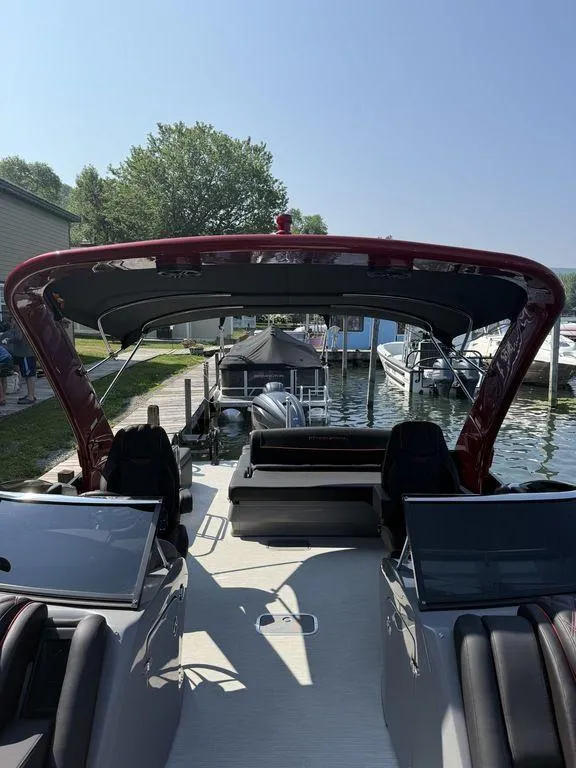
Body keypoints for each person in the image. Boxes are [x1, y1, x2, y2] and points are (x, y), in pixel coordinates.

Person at [3, 319, 37, 405]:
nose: (11, 322)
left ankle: (30, 396)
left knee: (29, 375)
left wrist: (8, 340)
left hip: (26, 353)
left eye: (11, 320)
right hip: (27, 353)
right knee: (28, 375)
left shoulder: (19, 324)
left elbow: (18, 337)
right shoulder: (25, 323)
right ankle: (30, 394)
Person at [0, 342, 14, 407]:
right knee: (3, 377)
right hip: (9, 360)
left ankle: (1, 398)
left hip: (4, 361)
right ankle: (3, 397)